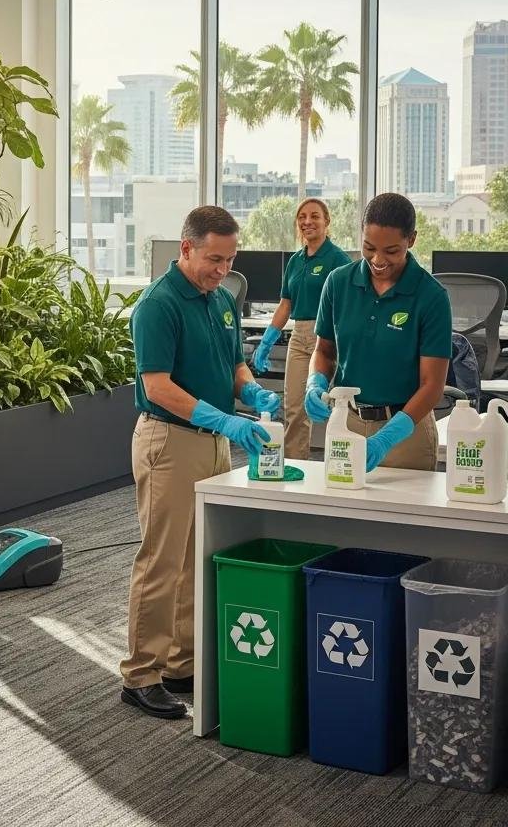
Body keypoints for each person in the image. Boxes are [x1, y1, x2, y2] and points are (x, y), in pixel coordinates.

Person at [120, 206, 281, 719]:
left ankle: (179, 663)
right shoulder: (158, 305)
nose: (222, 269)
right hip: (170, 440)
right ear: (185, 248)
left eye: (230, 259)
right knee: (162, 560)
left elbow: (235, 364)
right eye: (214, 258)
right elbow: (157, 386)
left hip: (213, 440)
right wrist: (225, 419)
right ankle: (141, 674)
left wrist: (253, 393)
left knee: (197, 557)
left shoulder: (221, 301)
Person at [304, 192, 452, 471]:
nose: (378, 259)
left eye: (391, 251)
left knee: (402, 515)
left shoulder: (430, 296)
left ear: (412, 240)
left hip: (405, 431)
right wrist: (315, 382)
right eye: (369, 247)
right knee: (339, 512)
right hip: (346, 423)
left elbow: (432, 386)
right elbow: (324, 351)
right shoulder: (338, 283)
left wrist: (388, 437)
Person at [250, 199, 352, 458]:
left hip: (331, 338)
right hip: (299, 336)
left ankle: (342, 463)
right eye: (302, 217)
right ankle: (297, 466)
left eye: (315, 216)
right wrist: (267, 341)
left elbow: (346, 305)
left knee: (338, 406)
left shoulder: (338, 259)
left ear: (327, 221)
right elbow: (286, 304)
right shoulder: (295, 261)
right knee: (295, 407)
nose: (307, 222)